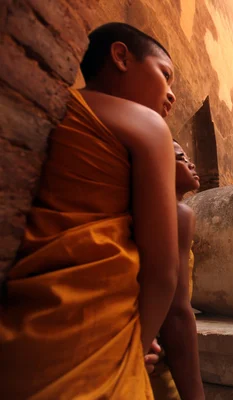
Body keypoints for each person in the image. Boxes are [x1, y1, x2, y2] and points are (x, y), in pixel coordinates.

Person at [0, 22, 179, 398]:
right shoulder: (147, 126)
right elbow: (163, 273)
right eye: (165, 75)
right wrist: (135, 345)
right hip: (96, 341)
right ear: (120, 57)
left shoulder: (54, 106)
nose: (172, 94)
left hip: (21, 327)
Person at [148, 141, 205, 399]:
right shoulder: (179, 215)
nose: (191, 164)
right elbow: (177, 313)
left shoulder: (147, 211)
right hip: (157, 357)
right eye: (181, 158)